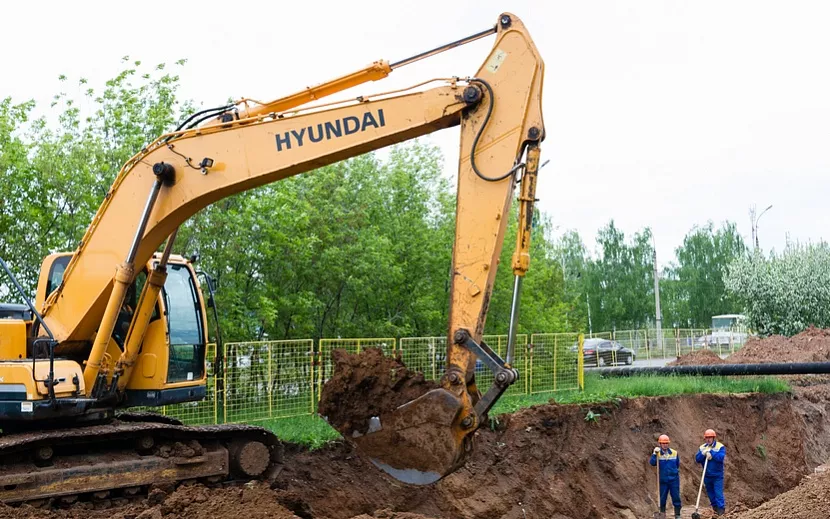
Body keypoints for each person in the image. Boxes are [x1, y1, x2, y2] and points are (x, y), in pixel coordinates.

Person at [649, 434, 682, 519]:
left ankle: (677, 515)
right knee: (662, 498)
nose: (665, 445)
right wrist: (654, 454)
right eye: (663, 443)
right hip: (663, 480)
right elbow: (652, 463)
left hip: (674, 479)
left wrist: (673, 472)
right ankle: (662, 514)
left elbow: (677, 464)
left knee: (676, 497)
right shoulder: (657, 454)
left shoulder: (674, 453)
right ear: (660, 444)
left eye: (666, 443)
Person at [695, 428, 726, 516]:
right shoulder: (702, 447)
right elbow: (697, 459)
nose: (708, 439)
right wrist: (703, 454)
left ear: (713, 438)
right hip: (707, 475)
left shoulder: (720, 447)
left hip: (717, 476)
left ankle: (721, 512)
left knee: (718, 494)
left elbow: (721, 458)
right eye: (707, 438)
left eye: (710, 437)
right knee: (711, 495)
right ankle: (715, 510)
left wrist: (712, 453)